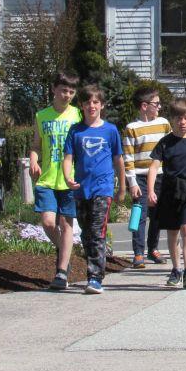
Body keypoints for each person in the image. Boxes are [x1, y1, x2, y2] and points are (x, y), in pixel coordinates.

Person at [62, 85, 125, 295]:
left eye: (96, 102)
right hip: (81, 189)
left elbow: (118, 159)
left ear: (102, 105)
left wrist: (122, 187)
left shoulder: (110, 130)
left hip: (103, 187)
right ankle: (94, 268)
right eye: (88, 102)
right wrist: (67, 177)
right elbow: (68, 157)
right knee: (86, 234)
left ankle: (95, 277)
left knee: (98, 232)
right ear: (82, 105)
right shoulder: (75, 131)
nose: (92, 106)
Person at [148, 98, 186, 289]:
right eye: (178, 118)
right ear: (172, 119)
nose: (182, 122)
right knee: (173, 232)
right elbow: (154, 166)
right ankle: (176, 269)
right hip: (169, 190)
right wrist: (150, 190)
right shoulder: (165, 142)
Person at [31, 71, 82, 291]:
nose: (67, 95)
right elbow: (35, 145)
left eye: (71, 91)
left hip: (69, 178)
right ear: (54, 89)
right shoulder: (42, 116)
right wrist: (34, 160)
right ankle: (65, 251)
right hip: (48, 178)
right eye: (63, 90)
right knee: (48, 222)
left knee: (66, 223)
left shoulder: (78, 115)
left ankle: (61, 273)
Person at [123, 86, 172, 268]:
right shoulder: (132, 128)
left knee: (157, 215)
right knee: (139, 214)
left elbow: (169, 149)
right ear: (144, 106)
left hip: (160, 176)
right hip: (140, 178)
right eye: (156, 104)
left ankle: (153, 248)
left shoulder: (164, 123)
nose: (159, 107)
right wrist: (132, 182)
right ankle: (138, 253)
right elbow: (127, 158)